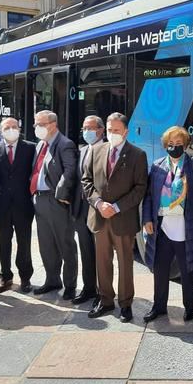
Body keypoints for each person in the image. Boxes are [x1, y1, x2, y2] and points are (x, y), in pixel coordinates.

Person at [142, 126, 193, 323]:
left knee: (188, 270)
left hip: (186, 226)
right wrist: (147, 218)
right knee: (160, 268)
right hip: (162, 226)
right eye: (171, 144)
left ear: (186, 145)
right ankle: (159, 306)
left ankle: (190, 308)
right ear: (165, 145)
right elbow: (148, 196)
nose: (174, 147)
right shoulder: (157, 166)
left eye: (179, 144)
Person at [82, 112, 147, 323]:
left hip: (123, 218)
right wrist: (99, 203)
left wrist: (117, 207)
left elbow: (140, 189)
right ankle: (106, 300)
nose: (112, 134)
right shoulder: (96, 150)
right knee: (102, 262)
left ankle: (126, 304)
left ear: (126, 131)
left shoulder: (137, 155)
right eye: (109, 130)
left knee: (125, 263)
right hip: (100, 216)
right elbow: (87, 181)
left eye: (116, 130)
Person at [30, 110, 78, 300]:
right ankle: (52, 280)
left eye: (39, 124)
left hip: (56, 200)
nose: (36, 128)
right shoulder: (40, 144)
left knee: (65, 244)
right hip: (39, 200)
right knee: (46, 244)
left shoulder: (64, 144)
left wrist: (61, 195)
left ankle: (70, 285)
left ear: (52, 124)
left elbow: (70, 171)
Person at [0, 117, 36, 294]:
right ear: (1, 131)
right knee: (4, 240)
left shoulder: (31, 148)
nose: (11, 129)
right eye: (7, 127)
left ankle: (25, 277)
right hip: (1, 203)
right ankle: (5, 276)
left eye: (14, 126)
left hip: (23, 203)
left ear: (20, 128)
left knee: (24, 241)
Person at [70, 115, 105, 305]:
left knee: (101, 252)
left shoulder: (107, 149)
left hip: (98, 208)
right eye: (84, 128)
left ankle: (103, 291)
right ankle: (89, 288)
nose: (86, 132)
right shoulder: (82, 150)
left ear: (100, 130)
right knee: (85, 250)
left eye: (90, 128)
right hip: (81, 209)